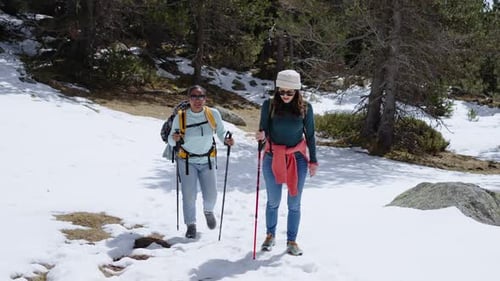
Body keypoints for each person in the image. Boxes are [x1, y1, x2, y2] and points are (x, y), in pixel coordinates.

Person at [255, 69, 318, 256]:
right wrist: (261, 137)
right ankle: (270, 235)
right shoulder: (269, 105)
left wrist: (313, 160)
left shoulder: (306, 108)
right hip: (273, 156)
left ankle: (292, 241)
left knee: (294, 203)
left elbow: (311, 135)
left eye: (290, 92)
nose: (285, 96)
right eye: (281, 92)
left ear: (297, 91)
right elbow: (263, 131)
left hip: (296, 158)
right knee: (273, 201)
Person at [168, 85, 234, 239]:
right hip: (186, 161)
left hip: (208, 159)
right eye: (194, 96)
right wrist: (174, 139)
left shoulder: (213, 114)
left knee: (211, 195)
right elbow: (171, 140)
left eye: (201, 96)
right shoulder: (181, 116)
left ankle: (208, 211)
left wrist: (226, 140)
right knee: (189, 195)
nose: (197, 100)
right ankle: (191, 225)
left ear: (205, 98)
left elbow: (221, 132)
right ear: (188, 98)